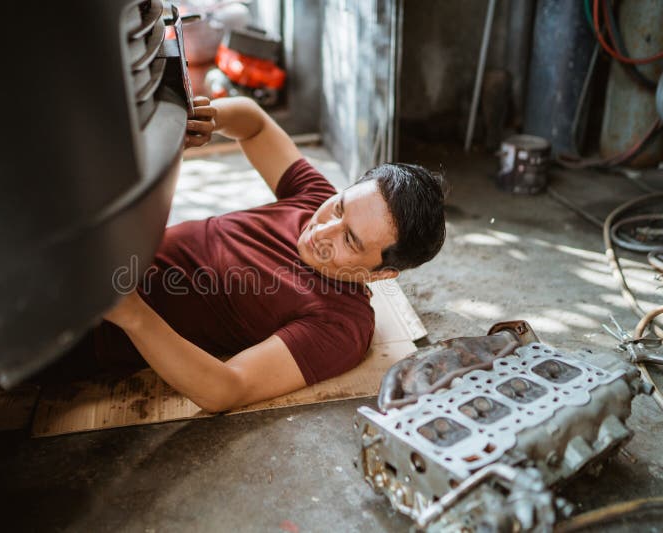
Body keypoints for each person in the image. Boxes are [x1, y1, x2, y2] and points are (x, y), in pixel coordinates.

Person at [99, 96, 446, 413]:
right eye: (340, 207)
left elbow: (226, 389)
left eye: (350, 241)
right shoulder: (315, 198)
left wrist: (131, 313)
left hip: (98, 320)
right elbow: (255, 125)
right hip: (114, 247)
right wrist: (213, 119)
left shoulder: (339, 325)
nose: (321, 231)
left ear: (382, 273)